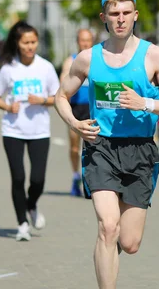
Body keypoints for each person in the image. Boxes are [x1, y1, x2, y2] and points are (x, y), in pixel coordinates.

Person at [54, 0, 159, 289]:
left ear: (135, 15)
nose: (120, 19)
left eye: (126, 13)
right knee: (108, 226)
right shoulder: (88, 58)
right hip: (101, 148)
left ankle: (109, 257)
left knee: (129, 242)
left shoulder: (153, 56)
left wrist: (146, 103)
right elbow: (60, 96)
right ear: (104, 17)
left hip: (140, 151)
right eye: (114, 13)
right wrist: (75, 124)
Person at [0, 21, 60, 242]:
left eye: (33, 42)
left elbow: (58, 98)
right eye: (25, 42)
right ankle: (22, 224)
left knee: (38, 180)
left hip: (39, 130)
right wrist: (8, 106)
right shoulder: (9, 68)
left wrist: (42, 100)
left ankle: (31, 205)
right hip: (13, 130)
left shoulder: (46, 67)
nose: (30, 46)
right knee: (18, 177)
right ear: (17, 44)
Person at [59, 28, 95, 196]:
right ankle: (75, 176)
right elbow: (63, 82)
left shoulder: (98, 59)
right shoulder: (71, 60)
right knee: (75, 148)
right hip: (75, 108)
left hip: (93, 108)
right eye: (82, 40)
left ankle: (90, 179)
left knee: (93, 147)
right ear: (78, 42)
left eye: (88, 40)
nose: (85, 43)